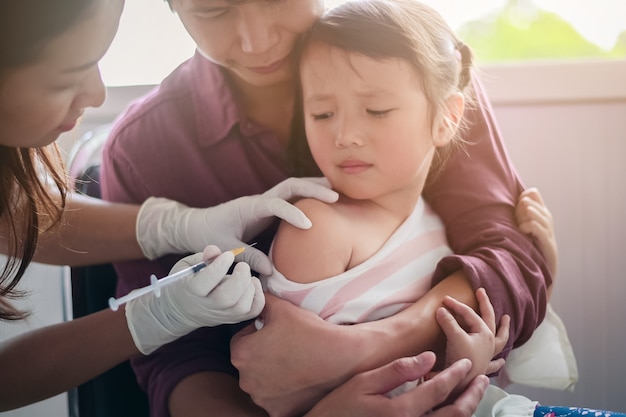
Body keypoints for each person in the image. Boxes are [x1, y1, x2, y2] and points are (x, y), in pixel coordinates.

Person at [1, 1, 477, 415]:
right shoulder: (153, 145)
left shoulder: (412, 57)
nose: (98, 94)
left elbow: (509, 247)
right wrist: (154, 316)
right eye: (66, 75)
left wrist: (177, 227)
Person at [100, 1, 550, 416]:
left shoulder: (412, 51)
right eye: (214, 10)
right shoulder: (144, 149)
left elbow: (511, 261)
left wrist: (370, 346)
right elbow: (176, 358)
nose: (257, 41)